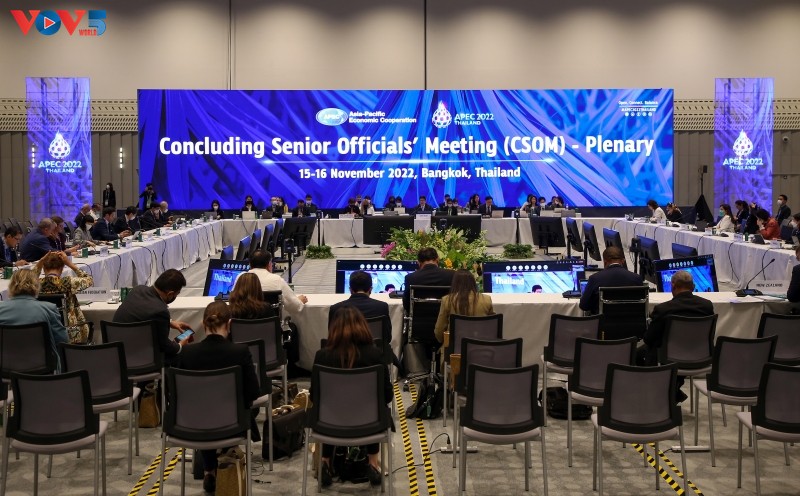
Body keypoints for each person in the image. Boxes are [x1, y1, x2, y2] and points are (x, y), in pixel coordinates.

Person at [176, 301, 260, 493]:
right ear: (229, 324)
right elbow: (253, 392)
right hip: (231, 423)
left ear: (203, 324)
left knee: (205, 410)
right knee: (235, 408)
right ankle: (226, 453)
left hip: (192, 423)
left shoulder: (186, 353)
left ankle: (209, 469)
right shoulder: (240, 352)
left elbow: (174, 395)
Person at [313, 306, 392, 488]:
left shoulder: (322, 356)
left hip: (330, 423)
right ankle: (373, 463)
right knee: (375, 407)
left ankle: (325, 462)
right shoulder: (375, 355)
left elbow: (315, 397)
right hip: (369, 422)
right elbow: (387, 396)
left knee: (327, 407)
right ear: (363, 327)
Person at [637, 270, 715, 402]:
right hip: (699, 357)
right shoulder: (707, 306)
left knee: (639, 354)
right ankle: (673, 393)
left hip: (670, 357)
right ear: (693, 286)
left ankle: (662, 394)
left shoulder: (663, 309)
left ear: (673, 286)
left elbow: (649, 339)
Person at [112, 269, 193, 363]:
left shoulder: (137, 290)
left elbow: (141, 313)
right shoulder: (161, 310)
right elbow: (164, 346)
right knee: (184, 355)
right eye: (176, 294)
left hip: (115, 352)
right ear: (170, 294)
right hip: (140, 358)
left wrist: (169, 322)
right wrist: (180, 345)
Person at [0, 269, 68, 371]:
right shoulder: (49, 309)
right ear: (36, 286)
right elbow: (63, 341)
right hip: (43, 371)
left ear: (11, 286)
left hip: (5, 371)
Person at [37, 251, 94, 344]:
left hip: (43, 330)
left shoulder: (36, 284)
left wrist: (39, 264)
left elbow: (26, 281)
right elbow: (89, 279)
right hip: (70, 332)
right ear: (62, 267)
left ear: (43, 268)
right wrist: (70, 264)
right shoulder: (67, 282)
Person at [328, 270, 391, 345]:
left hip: (344, 351)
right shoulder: (382, 307)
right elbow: (387, 338)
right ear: (370, 289)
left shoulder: (335, 308)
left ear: (350, 290)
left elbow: (332, 337)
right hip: (375, 351)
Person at [434, 269, 494, 343]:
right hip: (481, 347)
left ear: (455, 283)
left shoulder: (447, 300)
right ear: (473, 282)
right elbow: (493, 328)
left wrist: (445, 342)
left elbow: (439, 331)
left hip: (454, 348)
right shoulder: (486, 299)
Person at [579, 246, 644, 315]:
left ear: (605, 262)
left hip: (602, 321)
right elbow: (641, 305)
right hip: (630, 321)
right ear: (623, 261)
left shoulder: (595, 278)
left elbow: (584, 306)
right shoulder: (636, 278)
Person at [242, 250, 308, 318]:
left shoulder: (240, 279)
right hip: (270, 324)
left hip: (243, 324)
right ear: (269, 264)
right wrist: (300, 301)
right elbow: (294, 307)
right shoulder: (276, 280)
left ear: (250, 265)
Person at [402, 247, 455, 312]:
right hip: (444, 317)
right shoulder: (452, 275)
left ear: (418, 262)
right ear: (437, 259)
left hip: (419, 317)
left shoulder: (410, 278)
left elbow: (406, 305)